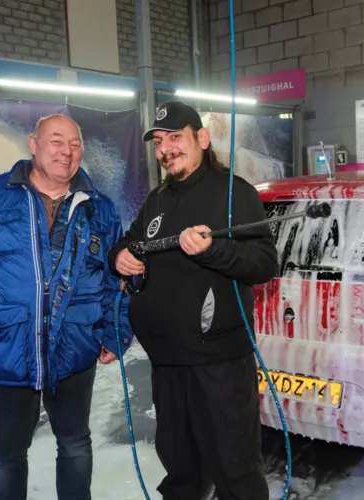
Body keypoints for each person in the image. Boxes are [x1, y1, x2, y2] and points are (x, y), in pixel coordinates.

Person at [0, 114, 133, 500]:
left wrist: (115, 331)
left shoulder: (100, 209)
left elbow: (116, 278)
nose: (66, 151)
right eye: (56, 141)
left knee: (75, 445)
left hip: (75, 352)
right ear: (33, 144)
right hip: (8, 351)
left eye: (74, 144)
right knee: (6, 456)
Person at [107, 100, 277, 500]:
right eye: (159, 142)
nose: (166, 149)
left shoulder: (234, 193)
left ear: (201, 138)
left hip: (218, 363)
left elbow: (263, 264)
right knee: (181, 469)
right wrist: (120, 257)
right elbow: (129, 241)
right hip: (167, 362)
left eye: (175, 137)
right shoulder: (157, 200)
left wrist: (211, 250)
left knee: (234, 470)